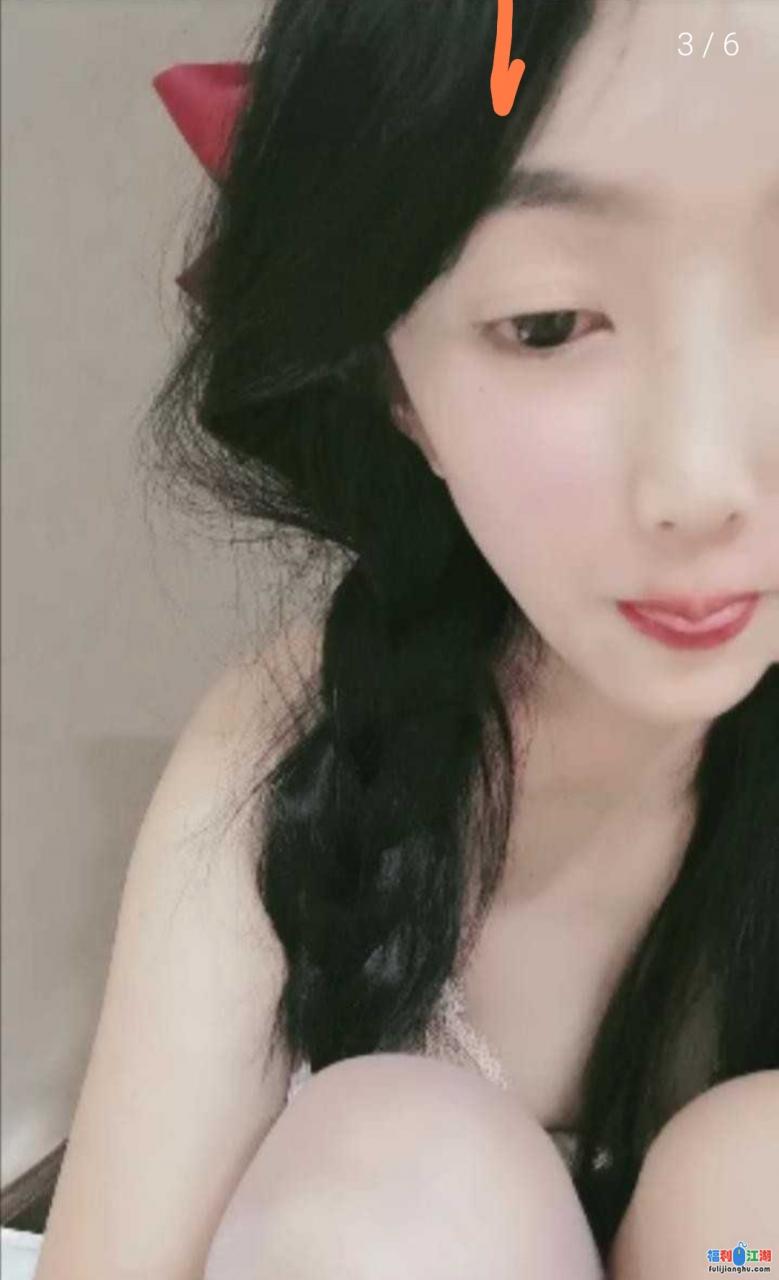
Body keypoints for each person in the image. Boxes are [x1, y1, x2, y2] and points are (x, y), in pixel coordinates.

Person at [36, 0, 778, 1276]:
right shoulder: (305, 753)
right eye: (546, 323)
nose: (697, 481)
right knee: (401, 1179)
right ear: (393, 383)